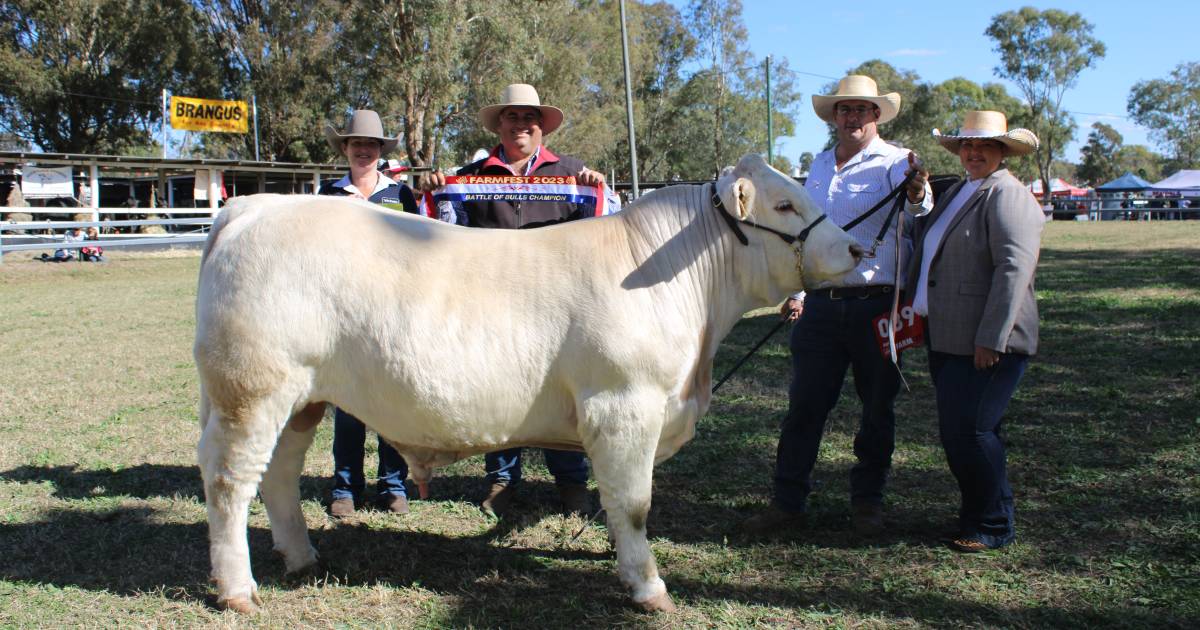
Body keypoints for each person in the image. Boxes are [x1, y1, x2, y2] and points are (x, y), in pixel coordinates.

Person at [742, 74, 932, 538]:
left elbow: (919, 211)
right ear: (834, 117)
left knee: (876, 411)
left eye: (861, 110)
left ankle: (868, 504)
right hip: (823, 306)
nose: (852, 117)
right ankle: (787, 502)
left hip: (877, 307)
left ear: (876, 116)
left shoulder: (897, 162)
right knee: (804, 407)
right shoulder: (820, 165)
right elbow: (807, 236)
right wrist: (799, 292)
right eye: (844, 110)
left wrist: (917, 190)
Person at [420, 83, 619, 517]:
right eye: (511, 117)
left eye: (529, 117)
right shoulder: (472, 175)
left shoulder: (572, 172)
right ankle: (502, 479)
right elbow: (449, 231)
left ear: (541, 126)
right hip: (493, 305)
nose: (521, 125)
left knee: (564, 391)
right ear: (500, 124)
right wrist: (435, 192)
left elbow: (601, 232)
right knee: (500, 387)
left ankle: (571, 482)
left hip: (557, 307)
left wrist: (596, 190)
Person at [908, 110, 1042, 552]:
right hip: (948, 336)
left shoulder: (1007, 195)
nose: (973, 152)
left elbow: (1013, 269)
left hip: (983, 341)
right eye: (967, 145)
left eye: (984, 146)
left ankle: (992, 524)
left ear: (1002, 152)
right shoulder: (961, 191)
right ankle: (982, 514)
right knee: (967, 431)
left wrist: (992, 337)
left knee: (969, 432)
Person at [320, 109, 420, 517]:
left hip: (393, 313)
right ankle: (345, 489)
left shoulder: (400, 195)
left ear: (381, 151)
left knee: (392, 403)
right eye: (356, 143)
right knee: (348, 408)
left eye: (371, 144)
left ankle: (393, 486)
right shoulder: (327, 196)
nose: (363, 150)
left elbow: (419, 252)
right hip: (343, 317)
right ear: (344, 148)